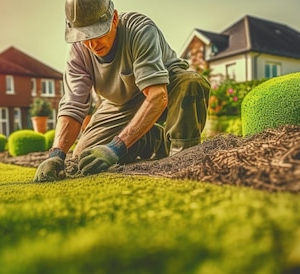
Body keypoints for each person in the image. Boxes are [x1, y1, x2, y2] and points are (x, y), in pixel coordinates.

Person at [33, 0, 210, 182]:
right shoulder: (77, 53)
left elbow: (157, 96)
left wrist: (116, 147)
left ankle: (183, 152)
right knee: (85, 158)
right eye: (85, 36)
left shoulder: (139, 29)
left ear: (114, 19)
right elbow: (72, 106)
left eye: (98, 33)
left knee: (191, 82)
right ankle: (153, 139)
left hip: (165, 88)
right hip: (120, 103)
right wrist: (56, 155)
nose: (92, 44)